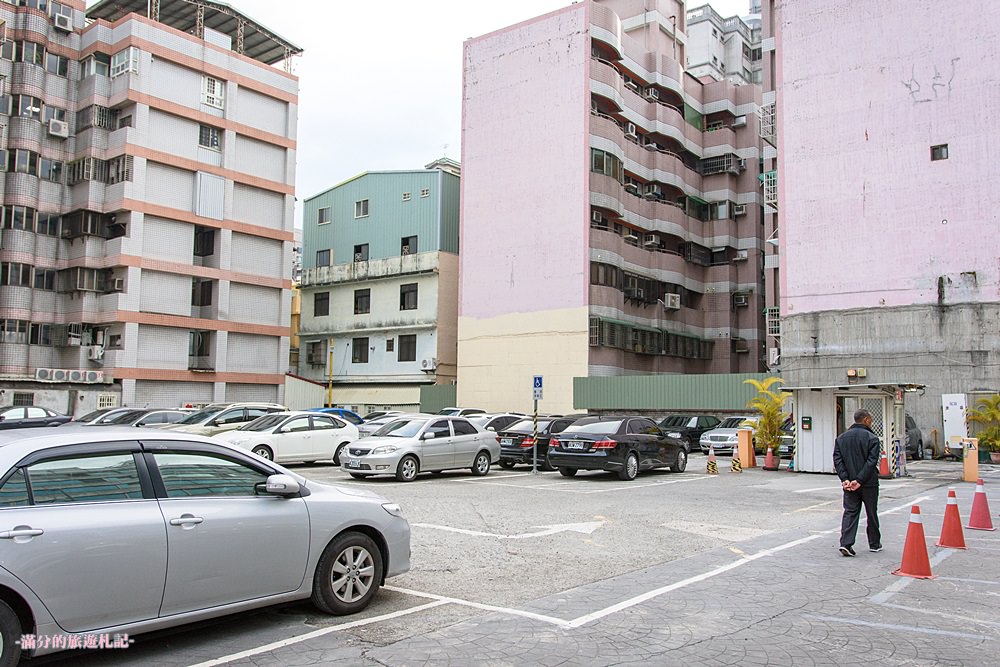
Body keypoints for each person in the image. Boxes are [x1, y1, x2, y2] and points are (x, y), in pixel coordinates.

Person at [833, 408, 882, 557]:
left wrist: (845, 479)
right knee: (871, 512)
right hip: (868, 483)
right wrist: (859, 480)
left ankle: (846, 543)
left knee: (850, 512)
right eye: (871, 420)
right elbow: (871, 462)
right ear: (866, 420)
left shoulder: (841, 438)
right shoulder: (872, 438)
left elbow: (838, 460)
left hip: (849, 484)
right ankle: (874, 543)